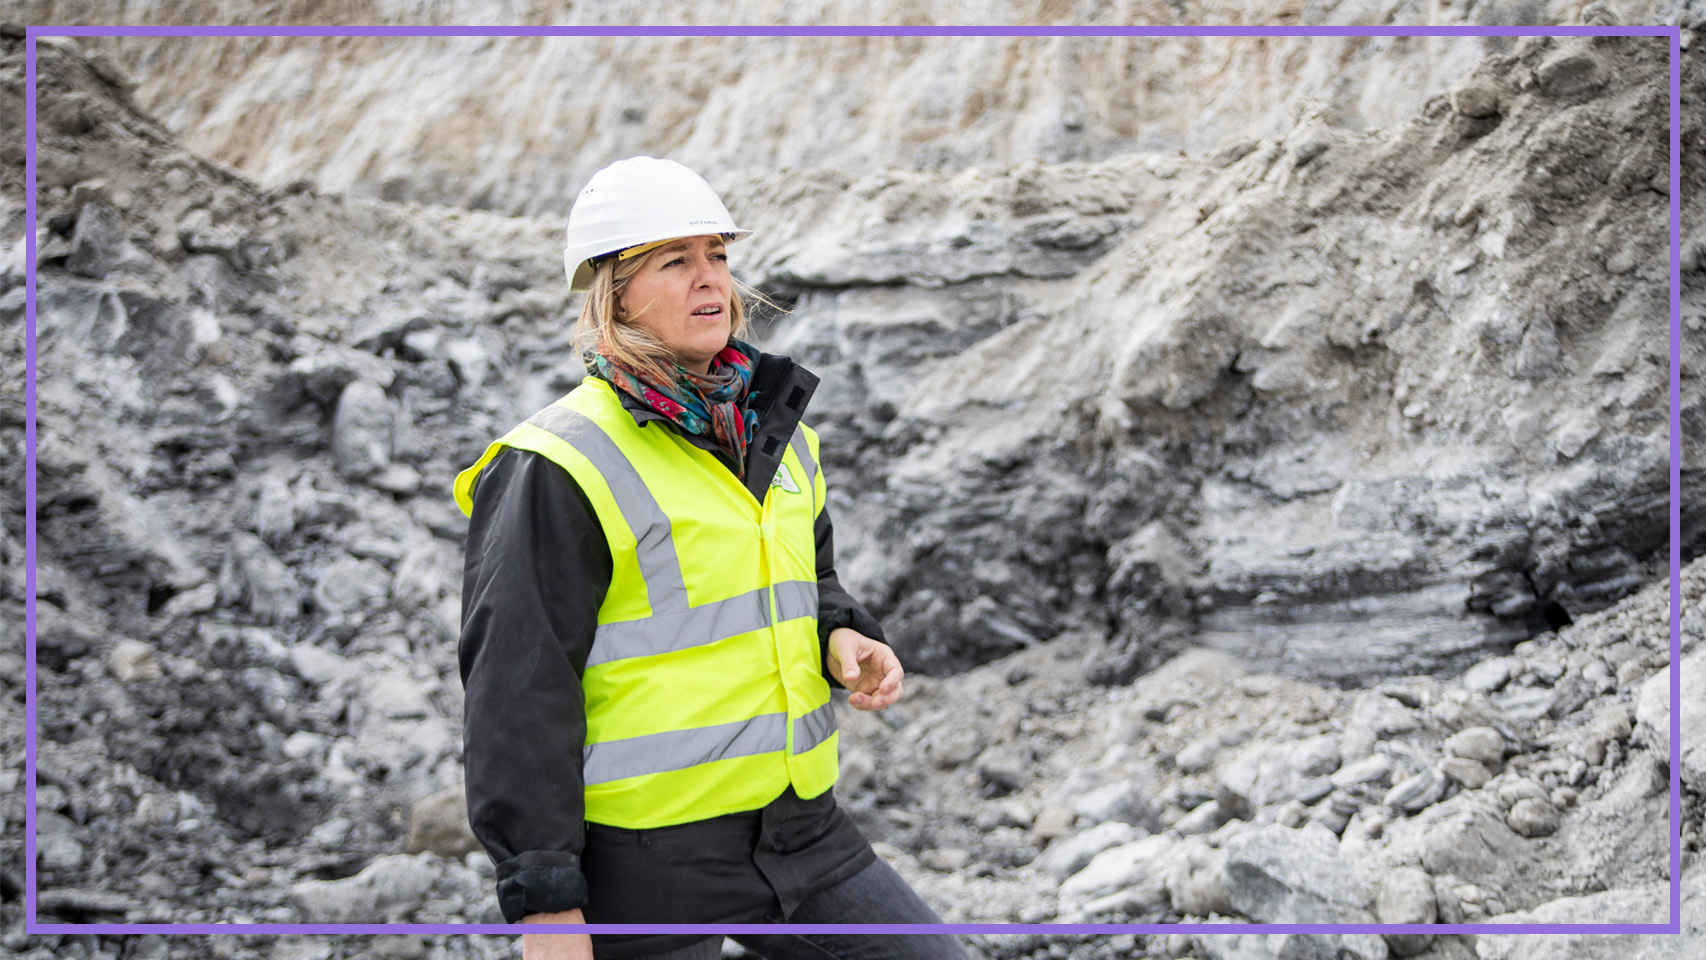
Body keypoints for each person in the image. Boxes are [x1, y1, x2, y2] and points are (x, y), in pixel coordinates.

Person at [454, 156, 967, 960]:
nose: (711, 282)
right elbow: (518, 687)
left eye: (718, 256)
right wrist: (548, 910)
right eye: (675, 260)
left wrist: (841, 634)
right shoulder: (556, 464)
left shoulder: (776, 432)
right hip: (643, 860)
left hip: (796, 831)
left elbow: (808, 578)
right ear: (613, 292)